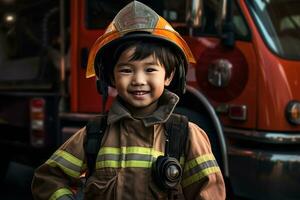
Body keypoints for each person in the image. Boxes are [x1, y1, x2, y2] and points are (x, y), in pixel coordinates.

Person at [31, 1, 226, 199]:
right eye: (126, 70)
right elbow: (49, 178)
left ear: (169, 76)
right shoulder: (94, 135)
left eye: (150, 69)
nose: (138, 81)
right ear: (111, 77)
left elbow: (209, 193)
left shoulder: (187, 136)